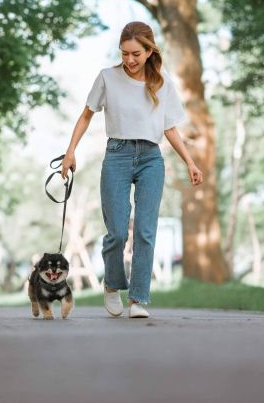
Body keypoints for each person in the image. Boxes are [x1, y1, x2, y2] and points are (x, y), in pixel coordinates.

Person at [60, 21, 203, 319]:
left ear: (150, 51)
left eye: (136, 53)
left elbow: (171, 129)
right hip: (117, 156)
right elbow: (86, 116)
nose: (129, 60)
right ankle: (112, 285)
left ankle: (138, 298)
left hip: (151, 158)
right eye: (124, 53)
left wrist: (190, 162)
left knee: (145, 231)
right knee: (116, 231)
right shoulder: (107, 78)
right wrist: (70, 151)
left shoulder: (162, 84)